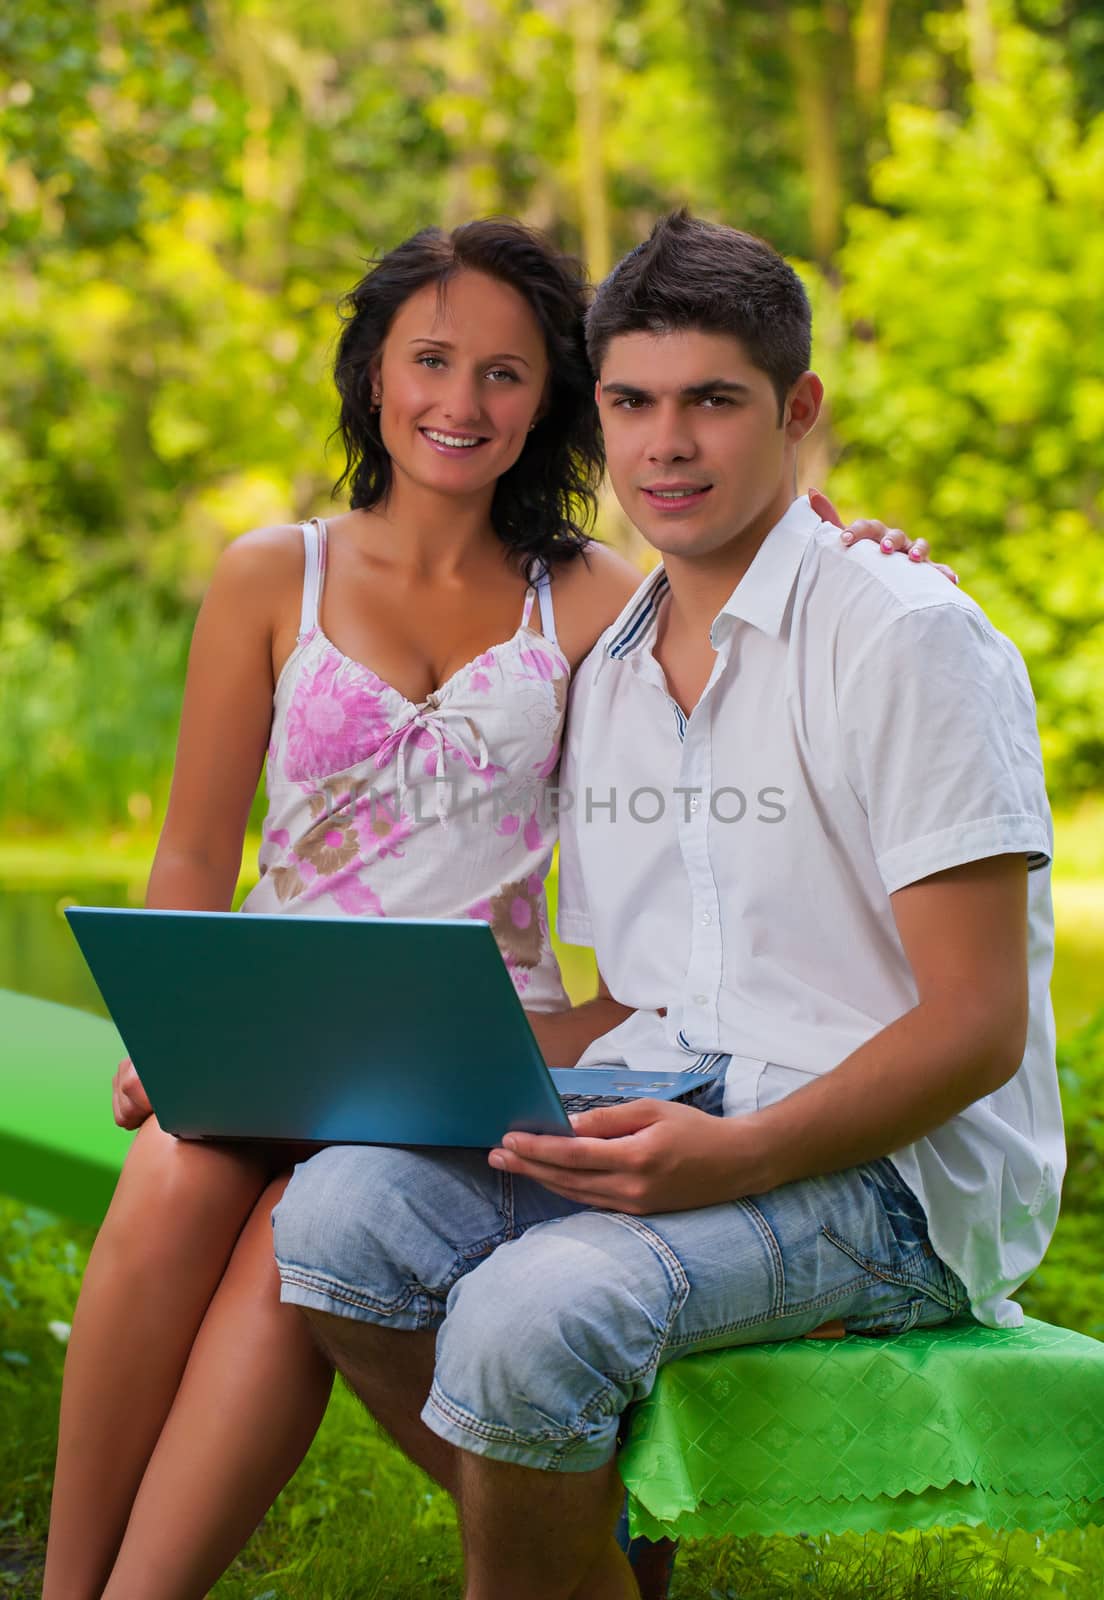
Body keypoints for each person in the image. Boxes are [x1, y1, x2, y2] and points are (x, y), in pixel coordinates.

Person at [42, 216, 935, 1600]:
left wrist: (839, 540)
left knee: (298, 1234)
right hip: (276, 1014)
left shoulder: (587, 596)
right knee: (180, 1169)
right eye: (431, 362)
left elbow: (734, 602)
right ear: (374, 375)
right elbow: (192, 856)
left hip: (465, 1037)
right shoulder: (275, 574)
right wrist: (172, 1019)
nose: (462, 404)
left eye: (507, 374)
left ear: (550, 403)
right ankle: (71, 1582)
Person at [270, 212, 1063, 1600]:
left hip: (889, 1179)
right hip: (677, 1092)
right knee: (341, 1214)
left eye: (713, 401)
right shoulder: (615, 664)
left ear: (797, 409)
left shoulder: (906, 637)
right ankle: (589, 1567)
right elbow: (646, 996)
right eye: (632, 403)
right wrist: (391, 1073)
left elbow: (980, 1028)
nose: (666, 446)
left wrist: (736, 1158)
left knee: (528, 1315)